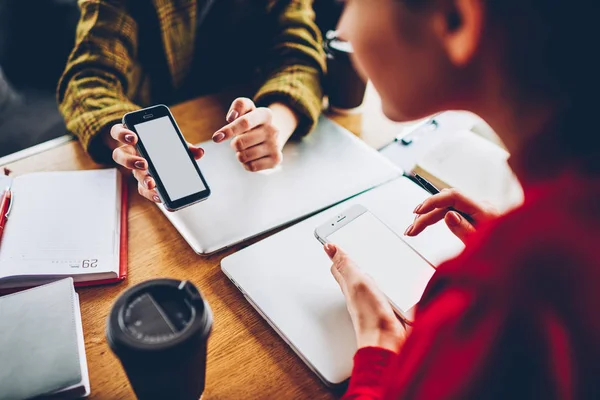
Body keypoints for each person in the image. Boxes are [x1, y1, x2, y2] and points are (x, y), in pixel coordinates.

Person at [324, 0, 600, 398]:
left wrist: (378, 343)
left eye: (350, 4)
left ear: (454, 19)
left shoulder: (500, 294)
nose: (344, 31)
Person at [57, 0, 325, 202]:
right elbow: (88, 80)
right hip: (148, 116)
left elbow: (299, 55)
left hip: (239, 142)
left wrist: (277, 120)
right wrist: (127, 138)